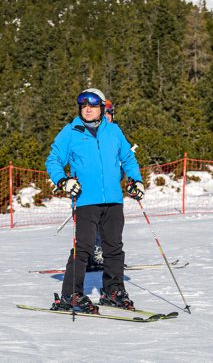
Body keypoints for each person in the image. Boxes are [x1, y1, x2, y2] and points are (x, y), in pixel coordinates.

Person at [46, 88, 144, 314]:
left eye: (92, 105)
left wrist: (136, 181)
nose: (87, 109)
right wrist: (63, 181)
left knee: (114, 248)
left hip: (113, 200)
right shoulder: (70, 132)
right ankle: (70, 294)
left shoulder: (113, 131)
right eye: (83, 106)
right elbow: (53, 160)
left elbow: (128, 157)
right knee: (83, 248)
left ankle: (113, 291)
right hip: (85, 200)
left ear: (101, 108)